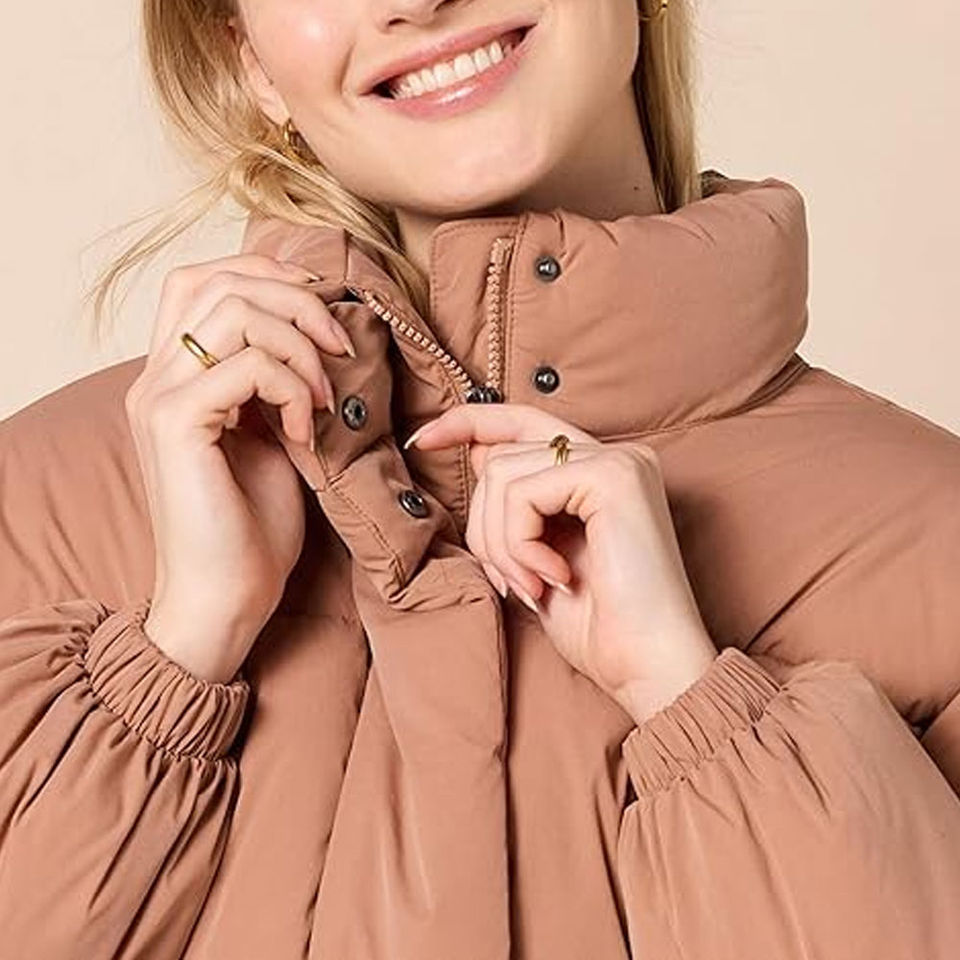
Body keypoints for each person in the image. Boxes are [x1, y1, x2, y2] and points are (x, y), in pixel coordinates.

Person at [1, 0, 959, 957]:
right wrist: (172, 657)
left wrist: (693, 701)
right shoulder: (34, 510)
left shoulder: (936, 554)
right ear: (247, 58)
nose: (414, 1)